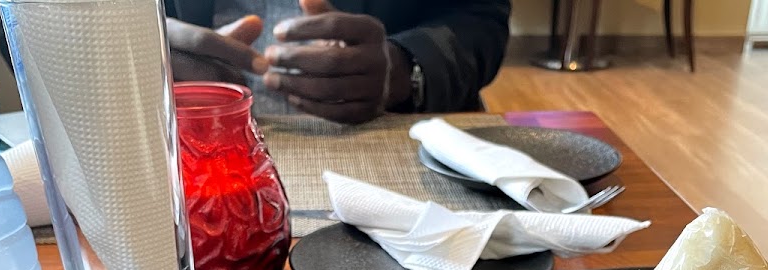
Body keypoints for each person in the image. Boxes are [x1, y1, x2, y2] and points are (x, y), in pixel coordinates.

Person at [163, 0, 511, 123]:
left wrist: (405, 66)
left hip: (392, 138)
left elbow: (480, 17)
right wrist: (144, 49)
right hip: (183, 156)